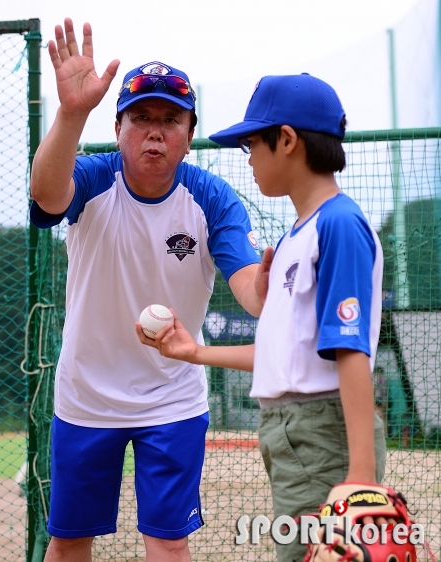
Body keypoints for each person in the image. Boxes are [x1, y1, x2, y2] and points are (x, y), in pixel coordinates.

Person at [29, 18, 265, 562]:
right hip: (87, 397)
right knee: (68, 539)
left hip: (172, 399)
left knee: (167, 539)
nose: (154, 131)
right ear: (117, 129)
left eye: (169, 119)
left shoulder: (212, 199)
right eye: (140, 118)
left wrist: (272, 289)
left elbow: (250, 288)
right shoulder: (91, 179)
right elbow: (45, 194)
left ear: (189, 131)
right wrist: (69, 114)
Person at [137, 73, 387, 562]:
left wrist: (360, 477)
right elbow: (282, 353)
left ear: (288, 140)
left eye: (253, 143)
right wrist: (193, 352)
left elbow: (351, 350)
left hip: (323, 431)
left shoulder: (338, 224)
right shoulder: (297, 234)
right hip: (294, 430)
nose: (248, 157)